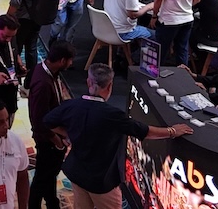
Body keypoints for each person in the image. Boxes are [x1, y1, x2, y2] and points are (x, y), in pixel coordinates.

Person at [44, 64, 193, 209]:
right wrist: (172, 131)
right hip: (101, 181)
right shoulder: (112, 115)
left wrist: (68, 134)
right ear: (110, 86)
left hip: (76, 172)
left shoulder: (72, 105)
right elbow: (145, 131)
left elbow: (48, 120)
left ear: (88, 82)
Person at [27, 42, 75, 209]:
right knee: (42, 178)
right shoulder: (43, 84)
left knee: (48, 175)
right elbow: (39, 119)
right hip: (48, 140)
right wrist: (57, 141)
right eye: (70, 61)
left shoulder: (46, 70)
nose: (71, 64)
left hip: (52, 137)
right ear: (62, 60)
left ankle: (52, 203)